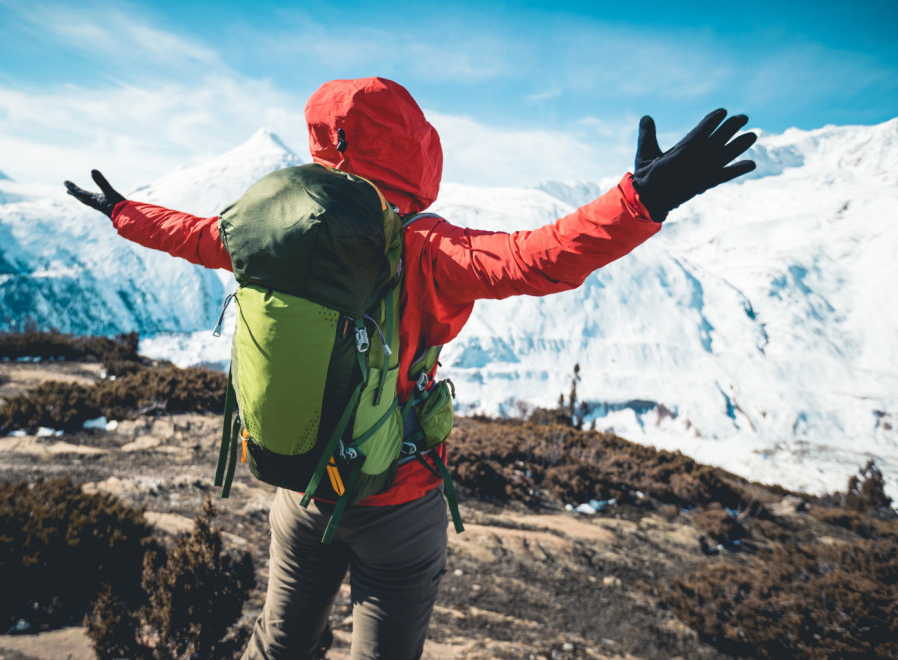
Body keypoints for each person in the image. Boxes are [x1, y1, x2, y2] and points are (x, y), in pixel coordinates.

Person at [65, 76, 756, 659]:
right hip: (399, 504)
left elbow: (191, 235)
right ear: (415, 151)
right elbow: (539, 258)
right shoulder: (424, 247)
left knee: (280, 646)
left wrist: (125, 213)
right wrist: (642, 199)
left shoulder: (277, 237)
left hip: (304, 491)